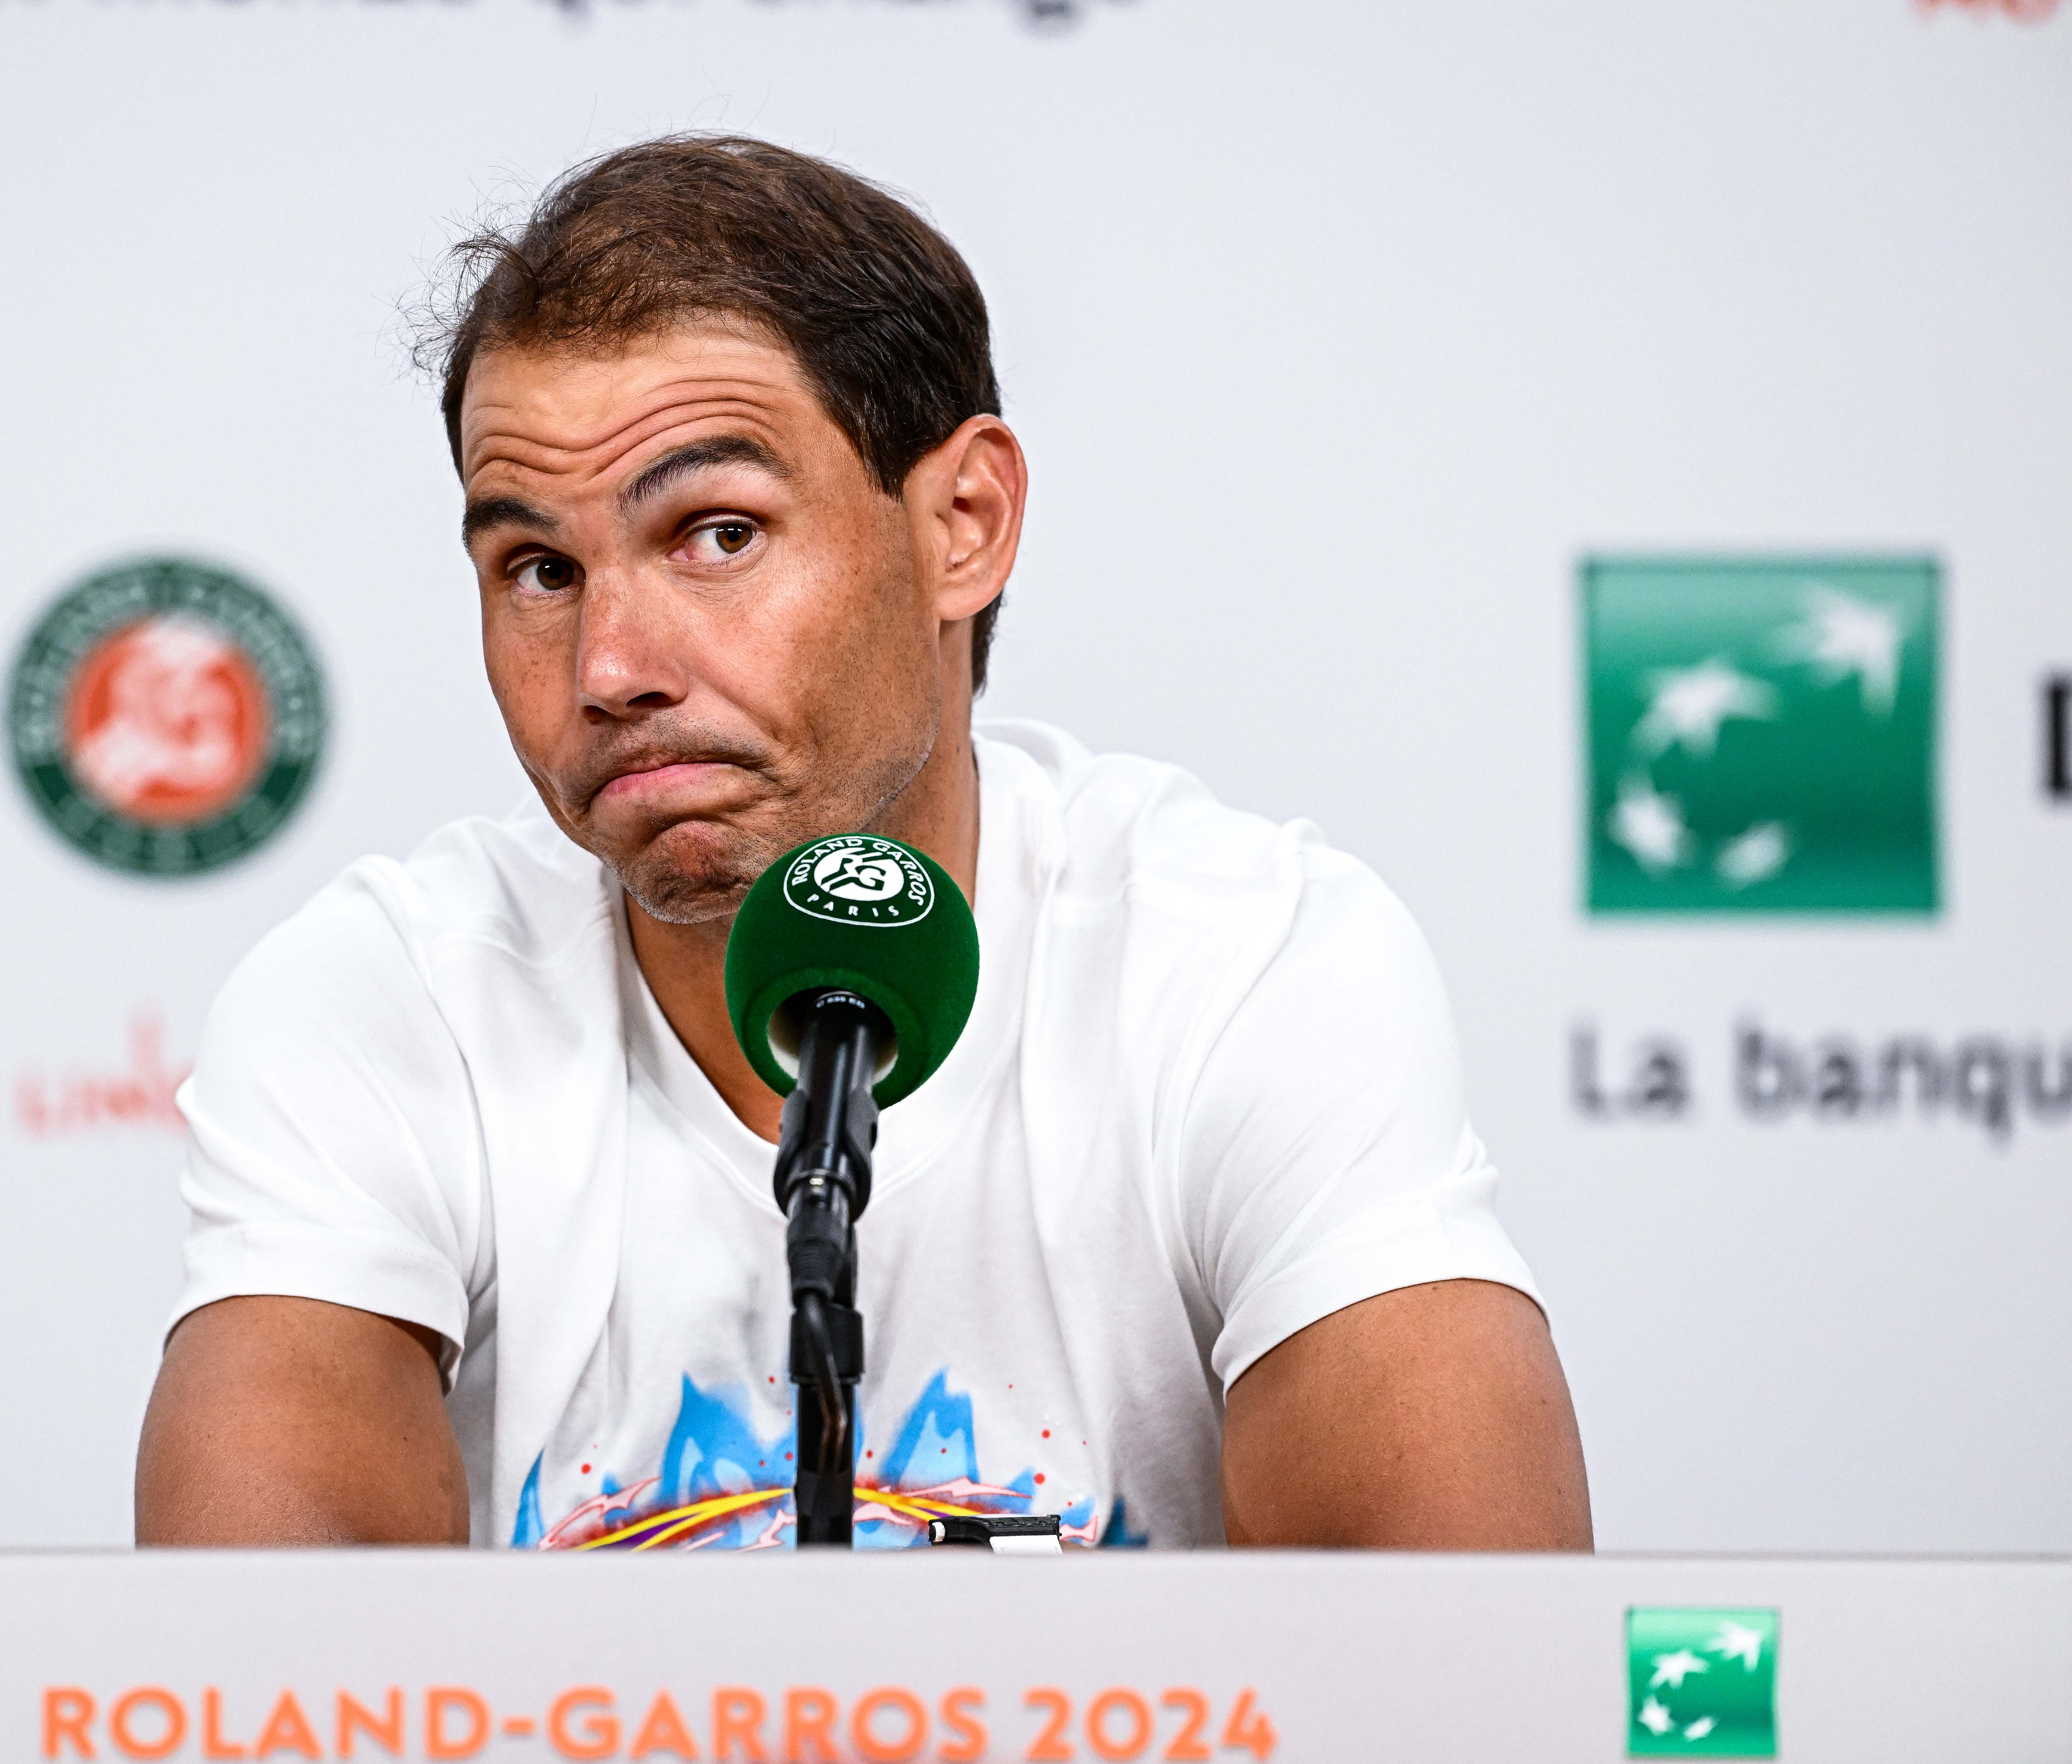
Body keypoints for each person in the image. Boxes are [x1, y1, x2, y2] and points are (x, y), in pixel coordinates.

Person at [134, 135, 1592, 1552]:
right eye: (537, 568)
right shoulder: (385, 1000)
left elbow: (1470, 1654)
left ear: (963, 523)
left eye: (716, 533)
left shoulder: (1242, 965)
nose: (608, 667)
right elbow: (251, 1666)